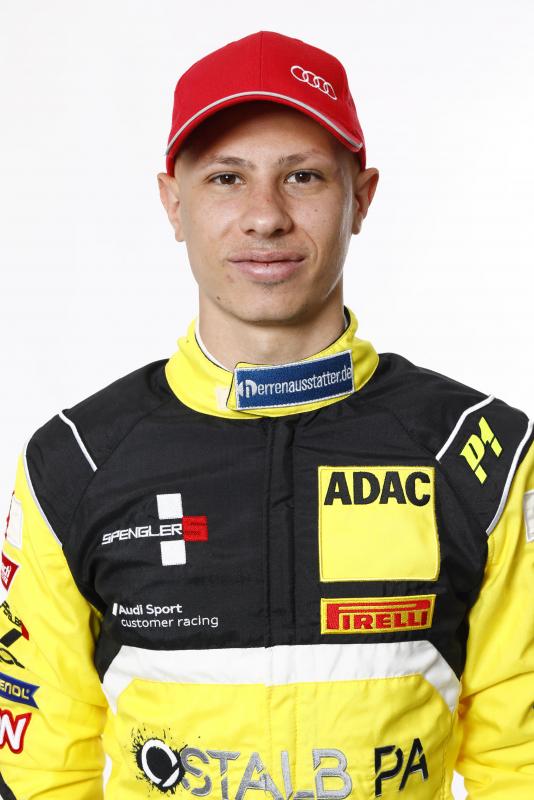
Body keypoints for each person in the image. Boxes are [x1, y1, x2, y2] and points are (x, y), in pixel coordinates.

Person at [0, 29, 532, 800]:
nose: (265, 217)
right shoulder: (74, 461)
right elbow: (39, 769)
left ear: (361, 197)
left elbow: (521, 760)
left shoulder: (479, 450)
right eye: (226, 178)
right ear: (172, 202)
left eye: (303, 176)